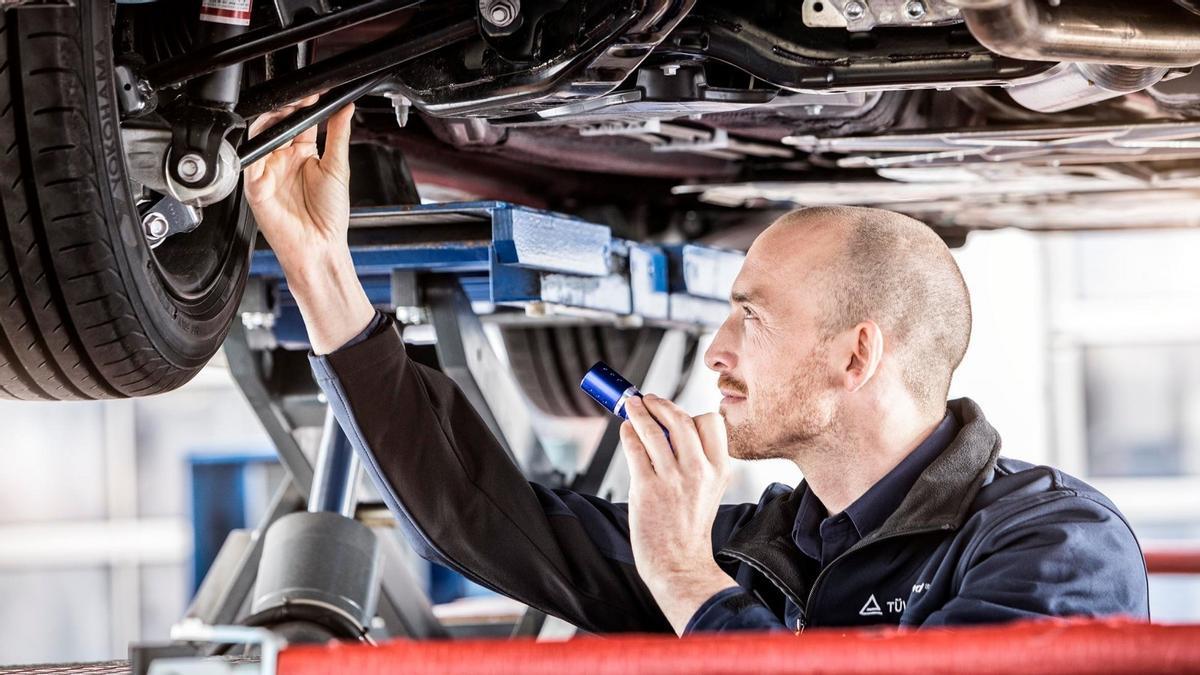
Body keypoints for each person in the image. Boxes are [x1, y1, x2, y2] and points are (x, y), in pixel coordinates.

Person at [243, 99, 1149, 635]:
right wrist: (322, 269)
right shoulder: (767, 545)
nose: (714, 351)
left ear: (857, 353)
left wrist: (686, 578)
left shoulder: (1058, 547)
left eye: (749, 318)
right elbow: (481, 515)